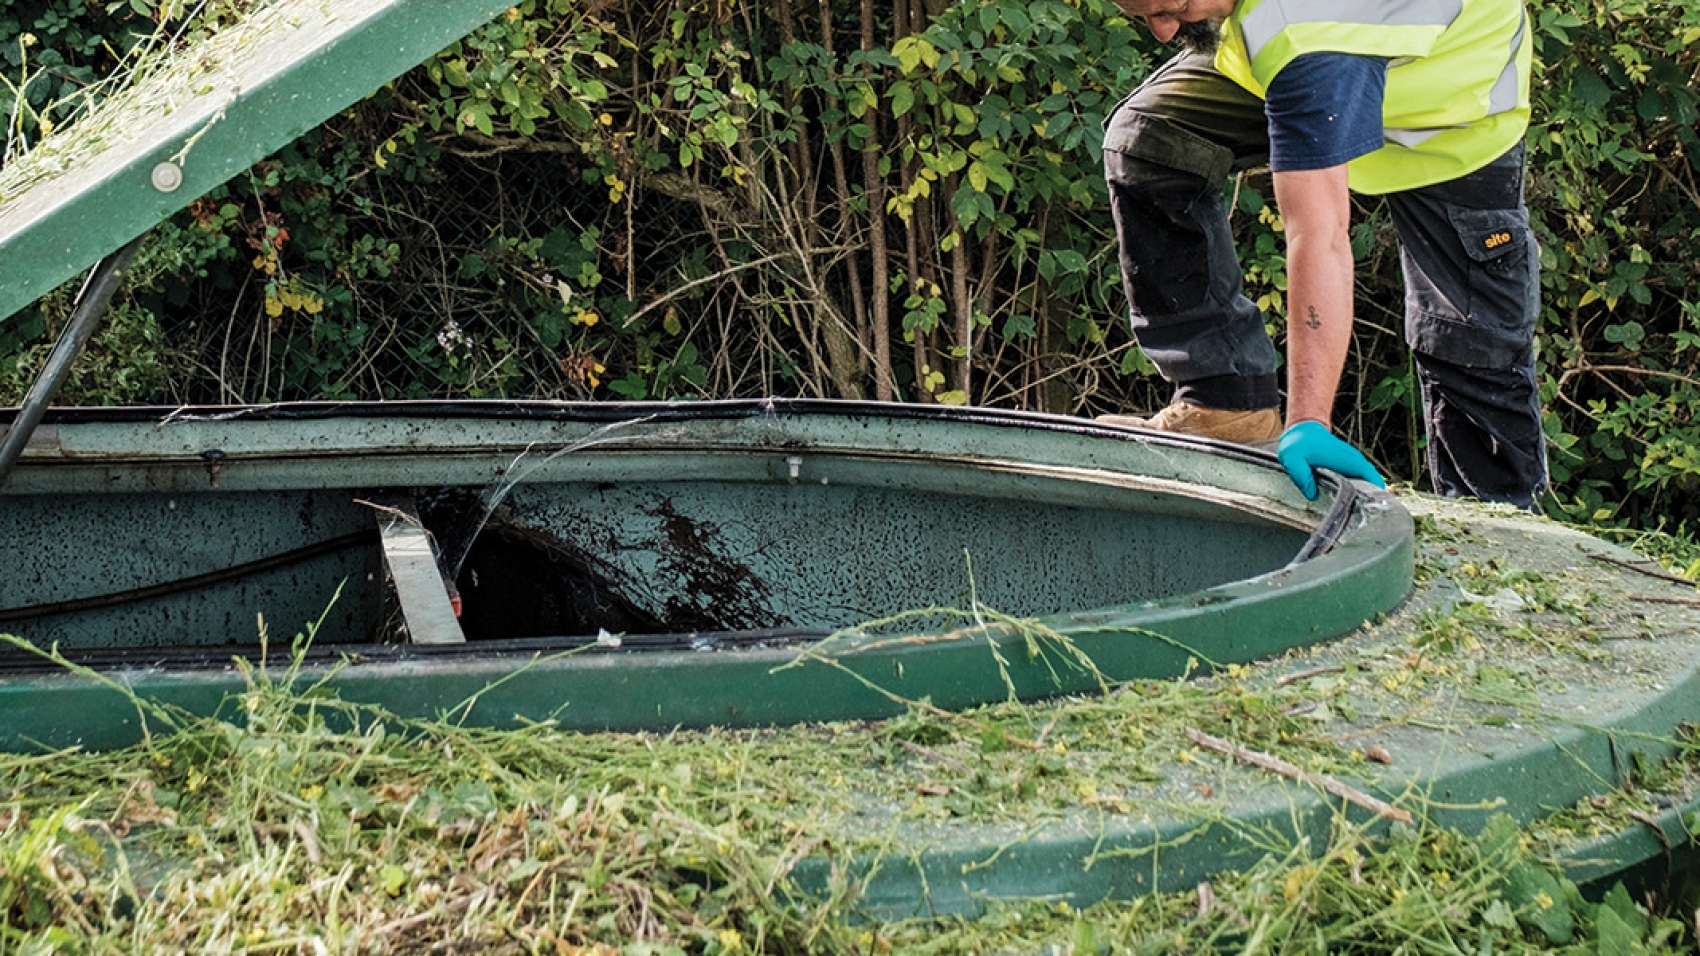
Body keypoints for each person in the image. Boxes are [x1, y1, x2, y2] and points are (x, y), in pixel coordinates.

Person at [1099, 0, 1548, 509]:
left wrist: (1310, 420)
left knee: (1467, 336)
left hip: (1446, 114)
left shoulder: (1307, 33)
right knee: (1153, 139)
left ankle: (1496, 518)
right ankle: (1225, 403)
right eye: (1145, 15)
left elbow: (1319, 234)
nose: (1162, 32)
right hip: (1324, 57)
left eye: (1173, 6)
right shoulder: (1290, 38)